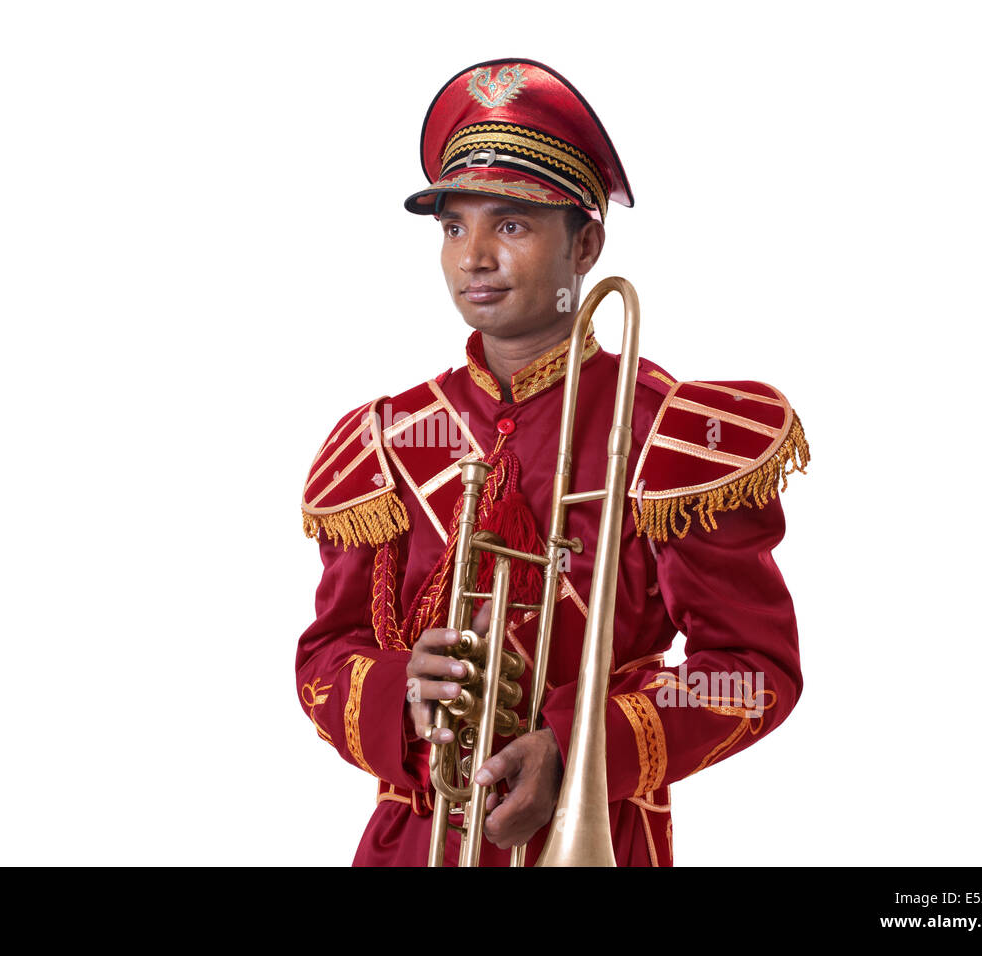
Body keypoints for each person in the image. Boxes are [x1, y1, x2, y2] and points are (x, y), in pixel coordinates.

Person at [296, 58, 811, 866]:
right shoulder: (386, 436)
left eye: (511, 225)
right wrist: (401, 688)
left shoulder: (674, 433)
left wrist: (577, 744)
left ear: (587, 245)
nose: (474, 258)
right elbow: (325, 657)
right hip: (410, 844)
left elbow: (752, 674)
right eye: (454, 227)